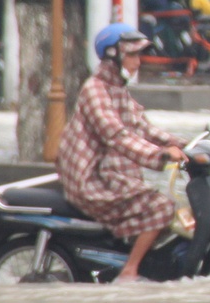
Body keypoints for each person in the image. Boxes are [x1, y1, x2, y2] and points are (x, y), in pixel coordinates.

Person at [58, 23, 191, 282]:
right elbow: (116, 134)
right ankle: (129, 271)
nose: (138, 62)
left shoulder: (118, 89)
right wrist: (161, 155)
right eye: (132, 55)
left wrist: (185, 144)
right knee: (161, 208)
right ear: (113, 56)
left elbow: (142, 127)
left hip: (115, 172)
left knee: (176, 213)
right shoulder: (95, 90)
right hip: (93, 178)